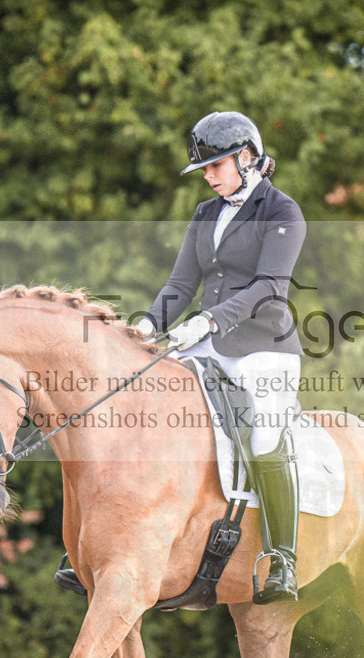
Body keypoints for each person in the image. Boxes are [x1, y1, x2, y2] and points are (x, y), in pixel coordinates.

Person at [137, 111, 306, 604]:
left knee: (263, 430)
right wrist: (147, 325)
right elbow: (181, 284)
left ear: (246, 157)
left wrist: (209, 321)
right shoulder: (204, 214)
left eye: (215, 166)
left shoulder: (282, 212)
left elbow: (269, 287)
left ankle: (283, 559)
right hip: (205, 339)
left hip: (263, 347)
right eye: (204, 169)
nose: (208, 176)